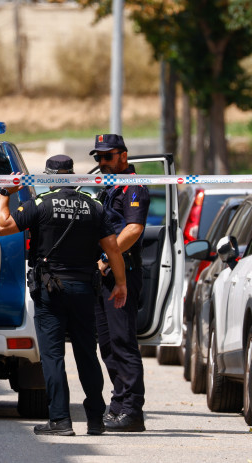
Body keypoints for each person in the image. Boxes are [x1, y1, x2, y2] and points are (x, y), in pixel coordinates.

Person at [0, 154, 127, 436]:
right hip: (83, 290)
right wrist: (121, 284)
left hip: (50, 290)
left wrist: (5, 193)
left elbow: (0, 227)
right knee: (87, 356)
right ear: (73, 174)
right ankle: (95, 420)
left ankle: (60, 421)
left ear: (49, 176)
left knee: (53, 357)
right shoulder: (94, 206)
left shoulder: (40, 204)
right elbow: (113, 249)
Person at [90, 134, 150, 432]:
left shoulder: (133, 186)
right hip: (103, 276)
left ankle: (132, 411)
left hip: (121, 273)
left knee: (123, 343)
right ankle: (118, 404)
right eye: (98, 158)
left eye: (107, 157)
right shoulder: (106, 187)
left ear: (123, 156)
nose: (101, 163)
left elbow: (134, 229)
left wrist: (104, 258)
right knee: (107, 345)